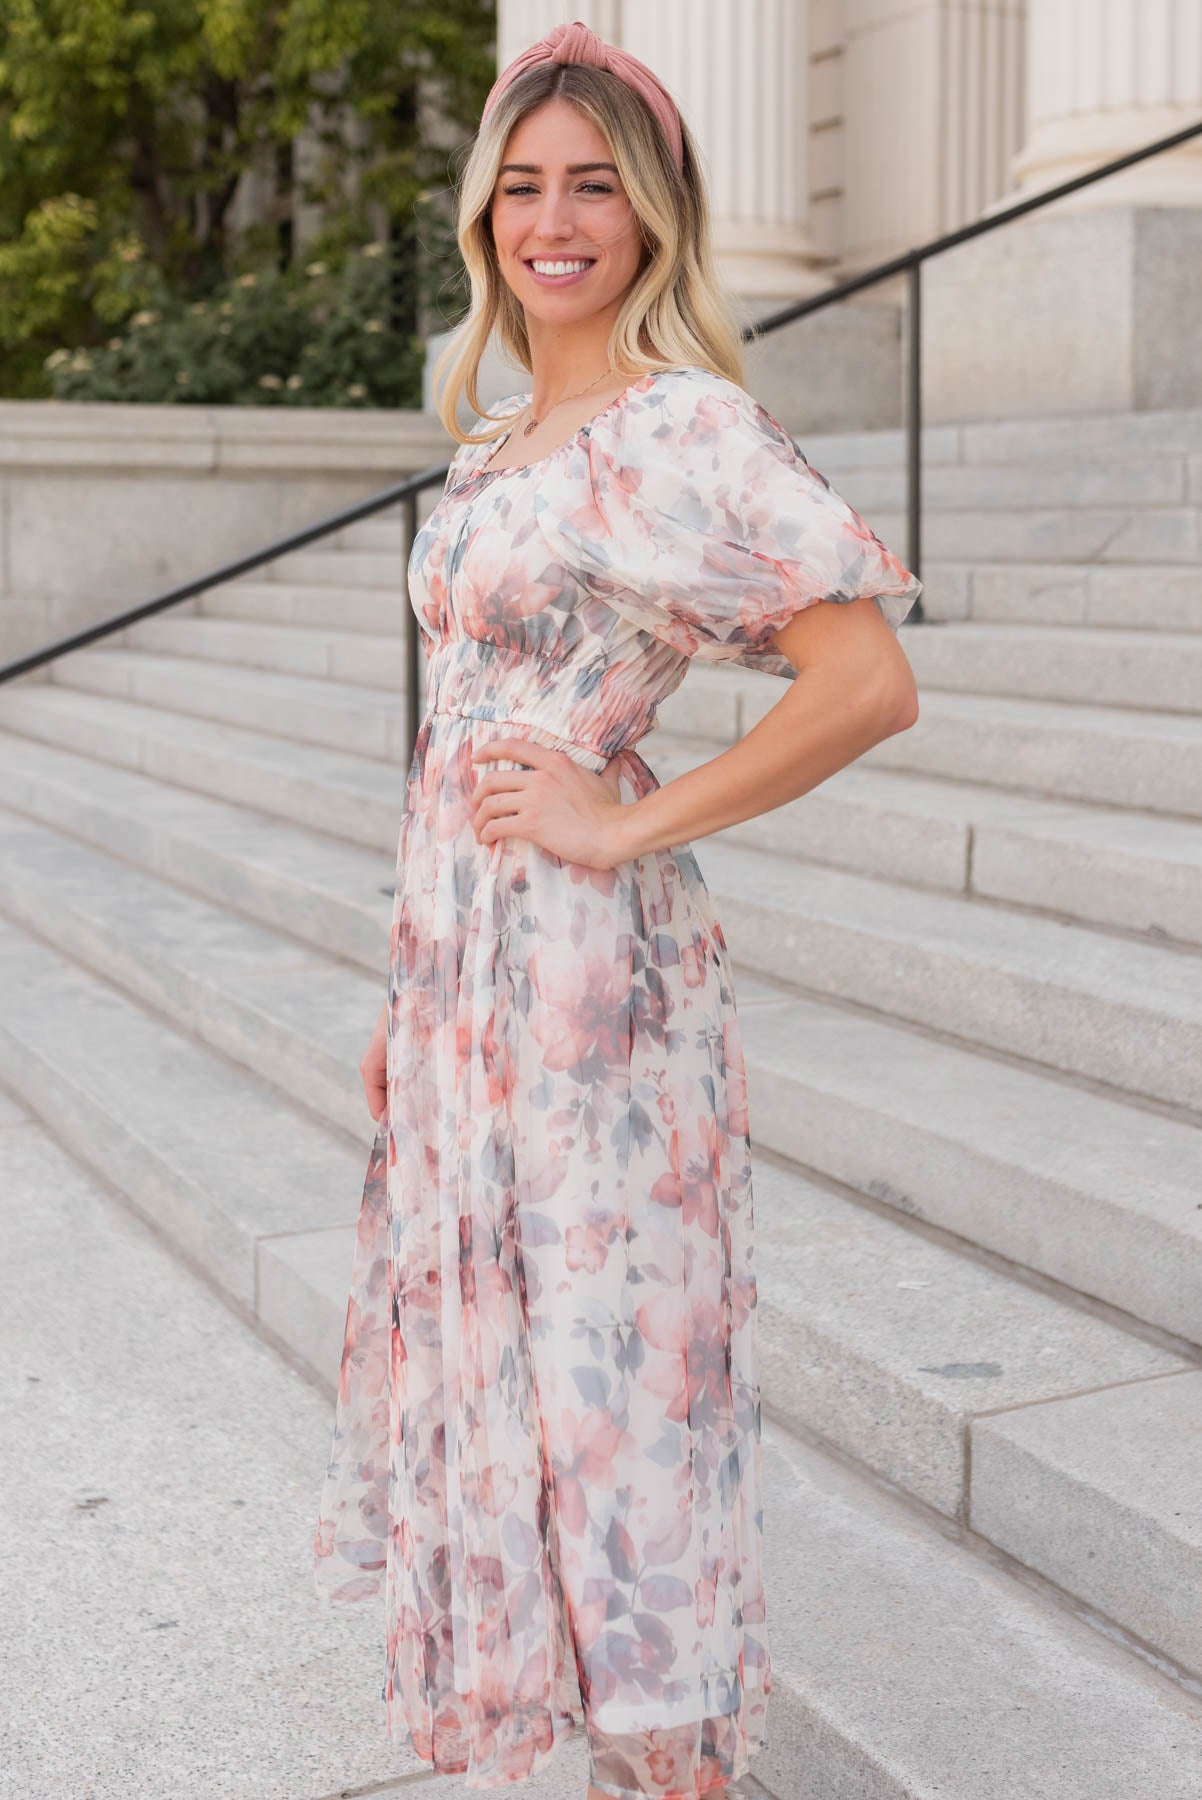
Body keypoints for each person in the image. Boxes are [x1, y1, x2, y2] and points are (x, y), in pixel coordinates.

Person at [312, 20, 922, 1800]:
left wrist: (607, 825)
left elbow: (863, 684)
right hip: (463, 972)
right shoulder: (502, 439)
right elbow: (442, 739)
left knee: (610, 1369)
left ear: (653, 216)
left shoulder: (682, 430)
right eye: (522, 187)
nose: (553, 220)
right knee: (502, 1351)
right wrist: (401, 983)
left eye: (594, 186)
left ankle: (674, 1772)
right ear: (482, 218)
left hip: (590, 981)